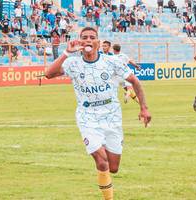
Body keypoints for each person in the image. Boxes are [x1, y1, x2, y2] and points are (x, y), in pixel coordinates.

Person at [44, 26, 151, 200]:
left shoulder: (111, 62)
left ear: (98, 43)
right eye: (84, 37)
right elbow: (48, 74)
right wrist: (66, 52)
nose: (88, 40)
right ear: (79, 41)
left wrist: (144, 108)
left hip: (112, 115)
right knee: (101, 162)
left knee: (113, 167)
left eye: (92, 37)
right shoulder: (73, 62)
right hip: (87, 116)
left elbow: (135, 82)